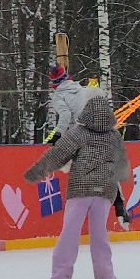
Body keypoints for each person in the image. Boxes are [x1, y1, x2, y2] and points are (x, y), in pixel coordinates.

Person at [24, 91, 130, 279]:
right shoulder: (114, 136)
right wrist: (120, 205)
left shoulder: (78, 133)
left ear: (86, 109)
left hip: (80, 189)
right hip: (105, 190)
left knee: (69, 236)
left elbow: (57, 155)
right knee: (100, 238)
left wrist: (34, 173)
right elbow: (121, 170)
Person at [47, 62, 132, 230]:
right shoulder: (83, 90)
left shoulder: (58, 97)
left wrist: (57, 135)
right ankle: (119, 205)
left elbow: (65, 116)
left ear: (54, 84)